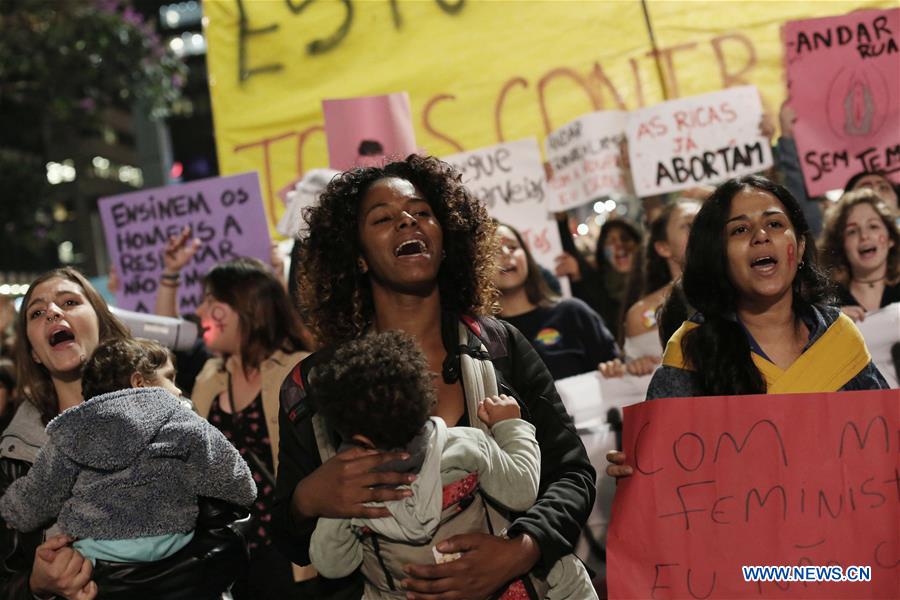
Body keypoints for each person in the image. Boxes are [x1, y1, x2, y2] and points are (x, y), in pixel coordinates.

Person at [274, 155, 596, 600]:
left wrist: (521, 549)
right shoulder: (315, 383)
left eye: (422, 213)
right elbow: (293, 542)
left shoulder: (501, 346)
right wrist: (310, 497)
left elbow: (573, 475)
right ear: (359, 257)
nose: (408, 222)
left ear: (446, 239)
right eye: (383, 219)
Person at [607, 176, 889, 479]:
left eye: (776, 224)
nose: (761, 236)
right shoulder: (691, 353)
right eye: (740, 229)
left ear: (801, 244)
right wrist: (638, 473)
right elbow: (668, 485)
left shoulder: (839, 337)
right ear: (719, 255)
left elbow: (887, 444)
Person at [0, 267, 250, 600]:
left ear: (102, 324)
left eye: (70, 301)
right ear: (32, 351)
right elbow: (7, 577)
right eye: (37, 312)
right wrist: (36, 586)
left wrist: (122, 580)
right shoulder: (14, 452)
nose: (54, 312)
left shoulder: (172, 414)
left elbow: (230, 529)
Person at [307, 331, 596, 599]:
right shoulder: (465, 446)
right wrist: (511, 426)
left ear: (356, 437)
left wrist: (326, 508)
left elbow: (333, 564)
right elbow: (521, 490)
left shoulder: (351, 495)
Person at [0, 337, 256, 566]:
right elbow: (237, 482)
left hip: (95, 555)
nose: (178, 390)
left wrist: (13, 512)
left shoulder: (72, 430)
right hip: (174, 546)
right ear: (139, 382)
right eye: (169, 377)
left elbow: (40, 493)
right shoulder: (183, 420)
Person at [182, 257, 311, 598]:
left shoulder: (298, 368)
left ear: (242, 305)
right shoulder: (208, 376)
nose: (199, 310)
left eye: (209, 300)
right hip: (230, 555)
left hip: (289, 554)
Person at [494, 222, 619, 380]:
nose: (506, 253)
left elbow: (617, 367)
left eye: (512, 247)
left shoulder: (573, 313)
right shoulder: (479, 338)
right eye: (493, 250)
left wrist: (616, 368)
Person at [600, 198, 700, 377]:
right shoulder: (640, 316)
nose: (703, 229)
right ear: (664, 248)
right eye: (690, 224)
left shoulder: (750, 291)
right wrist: (632, 367)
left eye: (709, 221)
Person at [819, 188, 900, 321]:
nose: (864, 236)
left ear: (891, 238)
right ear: (841, 245)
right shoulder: (825, 304)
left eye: (873, 226)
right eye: (852, 231)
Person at [554, 219, 641, 340]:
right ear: (602, 251)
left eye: (625, 238)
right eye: (610, 241)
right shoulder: (598, 286)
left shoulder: (655, 281)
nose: (619, 245)